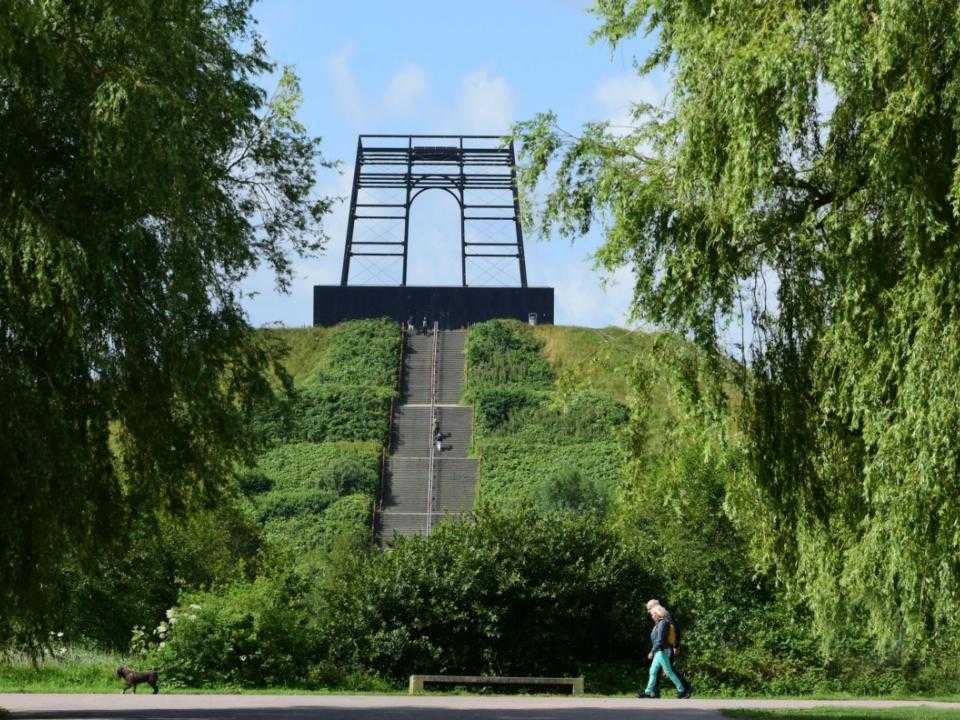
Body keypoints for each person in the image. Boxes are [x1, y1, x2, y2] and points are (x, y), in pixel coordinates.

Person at [638, 600, 691, 699]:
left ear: (657, 613)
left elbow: (660, 640)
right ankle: (649, 692)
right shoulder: (658, 623)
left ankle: (683, 690)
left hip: (662, 651)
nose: (651, 615)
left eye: (652, 613)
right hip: (659, 651)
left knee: (669, 671)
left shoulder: (663, 623)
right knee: (653, 671)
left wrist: (652, 651)